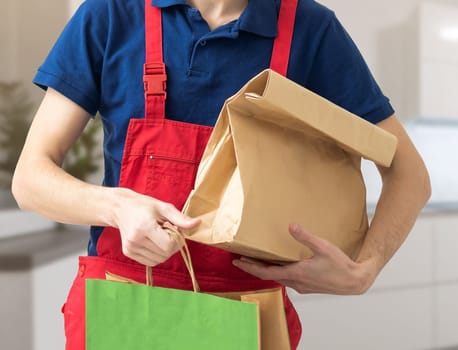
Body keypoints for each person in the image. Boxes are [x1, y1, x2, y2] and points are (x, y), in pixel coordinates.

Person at [11, 0, 431, 349]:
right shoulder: (111, 14)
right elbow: (30, 178)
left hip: (247, 319)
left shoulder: (310, 30)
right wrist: (117, 207)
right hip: (119, 306)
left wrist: (366, 268)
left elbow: (408, 174)